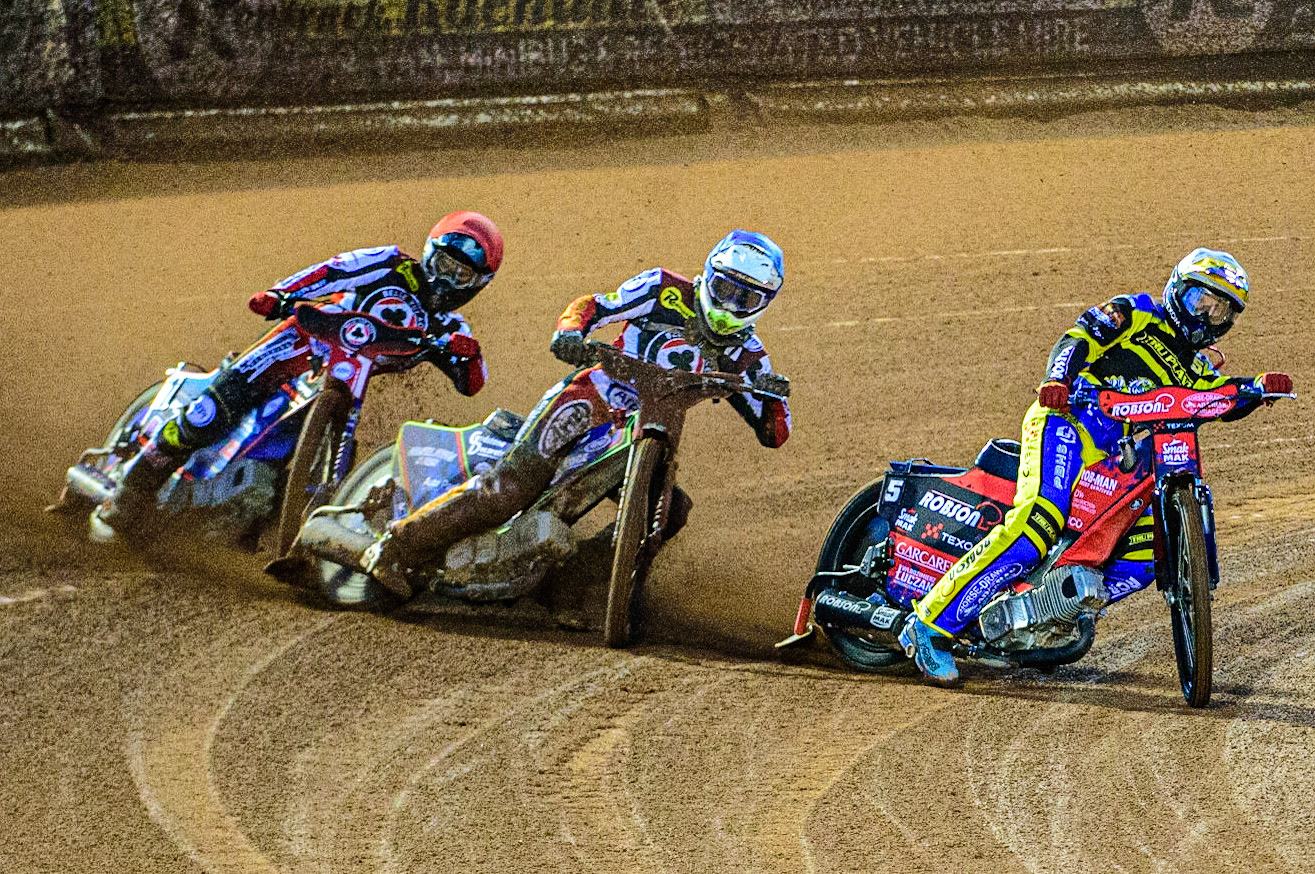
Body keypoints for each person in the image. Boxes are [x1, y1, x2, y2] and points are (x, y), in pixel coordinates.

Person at [899, 247, 1294, 686]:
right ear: (1177, 291)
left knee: (1147, 551)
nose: (1207, 315)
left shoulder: (1195, 368)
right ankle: (928, 626)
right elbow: (1078, 337)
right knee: (1038, 522)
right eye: (1201, 300)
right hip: (1066, 424)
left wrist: (1258, 390)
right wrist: (1057, 378)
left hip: (1112, 459)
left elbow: (1219, 397)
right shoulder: (1137, 313)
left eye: (1221, 310)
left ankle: (1051, 610)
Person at [355, 229, 793, 597]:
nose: (730, 305)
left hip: (652, 431)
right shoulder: (664, 289)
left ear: (764, 303)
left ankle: (572, 587)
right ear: (708, 276)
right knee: (510, 488)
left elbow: (776, 430)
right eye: (724, 289)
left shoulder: (748, 354)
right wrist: (571, 331)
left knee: (670, 512)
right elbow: (594, 305)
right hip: (592, 396)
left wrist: (773, 401)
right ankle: (395, 546)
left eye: (746, 298)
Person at [92, 210, 504, 538]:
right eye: (445, 263)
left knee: (339, 445)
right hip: (298, 344)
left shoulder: (450, 329)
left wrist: (466, 357)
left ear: (478, 283)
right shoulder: (391, 263)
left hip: (343, 381)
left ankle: (305, 522)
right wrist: (281, 294)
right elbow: (332, 270)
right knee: (210, 415)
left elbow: (473, 382)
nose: (446, 278)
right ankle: (134, 488)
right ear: (430, 250)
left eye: (461, 274)